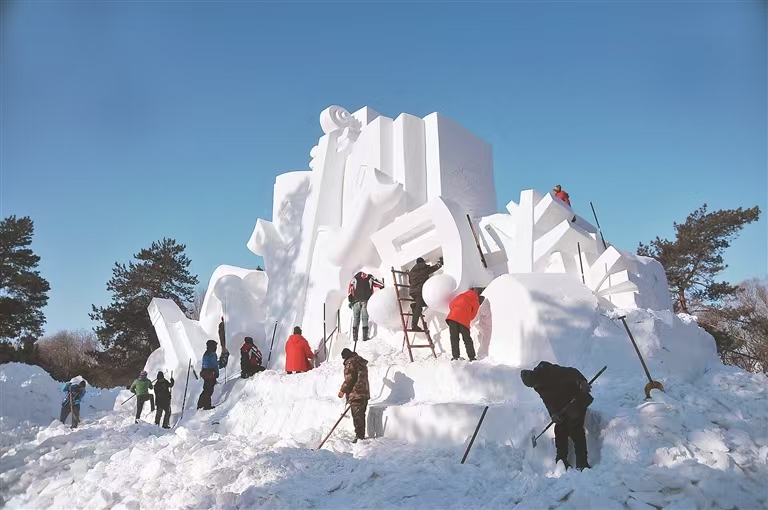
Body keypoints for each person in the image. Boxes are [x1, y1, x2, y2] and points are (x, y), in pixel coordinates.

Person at [520, 361, 594, 471]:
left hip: (577, 399)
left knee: (575, 429)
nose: (535, 387)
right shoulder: (537, 386)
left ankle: (582, 463)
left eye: (534, 384)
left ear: (535, 378)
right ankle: (561, 462)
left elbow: (572, 372)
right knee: (559, 430)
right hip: (563, 406)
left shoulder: (551, 372)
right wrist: (553, 414)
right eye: (533, 386)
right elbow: (547, 401)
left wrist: (581, 382)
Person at [338, 348, 370, 443]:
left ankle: (359, 436)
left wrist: (342, 390)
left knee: (357, 416)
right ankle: (361, 435)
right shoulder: (360, 362)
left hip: (356, 393)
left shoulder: (350, 362)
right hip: (364, 392)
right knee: (361, 415)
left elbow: (349, 379)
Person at [445, 288, 482, 361]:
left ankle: (455, 357)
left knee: (454, 338)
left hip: (452, 318)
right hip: (463, 320)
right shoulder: (475, 300)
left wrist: (455, 310)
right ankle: (472, 357)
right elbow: (473, 315)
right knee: (467, 339)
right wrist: (467, 316)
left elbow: (451, 304)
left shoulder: (460, 296)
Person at [407, 256, 443, 331]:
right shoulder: (423, 269)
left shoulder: (412, 272)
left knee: (426, 303)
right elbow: (434, 268)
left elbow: (410, 282)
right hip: (419, 291)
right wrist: (440, 263)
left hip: (413, 292)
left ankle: (414, 305)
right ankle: (414, 325)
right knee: (420, 306)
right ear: (423, 262)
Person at [348, 271, 384, 343]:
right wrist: (383, 287)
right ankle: (365, 337)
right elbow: (380, 284)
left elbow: (350, 289)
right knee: (364, 318)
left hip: (355, 301)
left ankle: (355, 337)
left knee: (356, 318)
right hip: (366, 300)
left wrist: (350, 300)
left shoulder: (354, 278)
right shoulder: (370, 277)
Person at [197, 340, 219, 410]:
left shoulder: (206, 353)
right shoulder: (212, 354)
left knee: (206, 389)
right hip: (210, 374)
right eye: (215, 346)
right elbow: (214, 364)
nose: (216, 347)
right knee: (209, 390)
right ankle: (206, 405)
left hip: (205, 373)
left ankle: (200, 404)